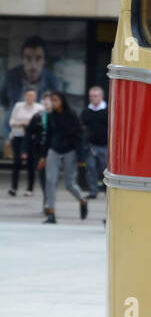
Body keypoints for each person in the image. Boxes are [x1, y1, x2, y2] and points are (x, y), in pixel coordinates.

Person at [39, 91, 88, 224]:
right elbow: (48, 137)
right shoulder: (50, 116)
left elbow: (79, 137)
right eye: (51, 100)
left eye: (55, 100)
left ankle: (82, 200)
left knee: (69, 184)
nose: (53, 103)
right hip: (54, 151)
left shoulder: (72, 115)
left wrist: (80, 158)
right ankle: (51, 213)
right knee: (50, 181)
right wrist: (43, 156)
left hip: (70, 151)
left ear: (62, 101)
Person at [1, 34, 61, 142]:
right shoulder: (10, 77)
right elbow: (3, 101)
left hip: (39, 135)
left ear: (44, 61)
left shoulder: (53, 81)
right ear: (22, 60)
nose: (33, 65)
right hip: (14, 133)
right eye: (28, 59)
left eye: (38, 59)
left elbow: (57, 108)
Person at [7, 88, 43, 197]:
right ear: (25, 96)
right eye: (28, 95)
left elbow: (40, 124)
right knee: (17, 163)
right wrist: (21, 123)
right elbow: (11, 121)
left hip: (31, 139)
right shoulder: (18, 106)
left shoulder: (39, 108)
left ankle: (30, 188)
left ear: (35, 97)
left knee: (31, 164)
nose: (30, 98)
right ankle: (14, 187)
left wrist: (31, 126)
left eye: (32, 96)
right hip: (18, 136)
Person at [81, 86, 108, 198]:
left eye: (96, 96)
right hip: (91, 145)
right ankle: (93, 191)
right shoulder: (86, 111)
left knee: (105, 169)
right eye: (91, 96)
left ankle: (108, 191)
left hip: (105, 146)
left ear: (101, 96)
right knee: (90, 168)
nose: (93, 98)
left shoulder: (109, 110)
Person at [27, 92, 51, 204]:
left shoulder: (58, 115)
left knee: (51, 176)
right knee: (42, 175)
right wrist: (25, 149)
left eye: (49, 100)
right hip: (39, 150)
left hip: (53, 150)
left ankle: (50, 200)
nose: (47, 102)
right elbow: (29, 133)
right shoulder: (38, 116)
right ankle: (47, 199)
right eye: (45, 100)